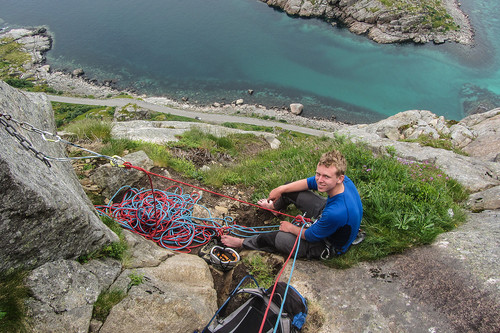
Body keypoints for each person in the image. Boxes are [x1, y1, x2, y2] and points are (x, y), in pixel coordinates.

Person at [221, 149, 363, 259]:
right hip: (328, 213)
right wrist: (280, 189)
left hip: (326, 244)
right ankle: (274, 208)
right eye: (318, 174)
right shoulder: (344, 182)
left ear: (339, 178)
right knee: (289, 188)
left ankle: (242, 242)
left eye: (326, 176)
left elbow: (311, 236)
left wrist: (290, 228)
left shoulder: (335, 212)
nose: (320, 180)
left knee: (276, 237)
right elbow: (309, 182)